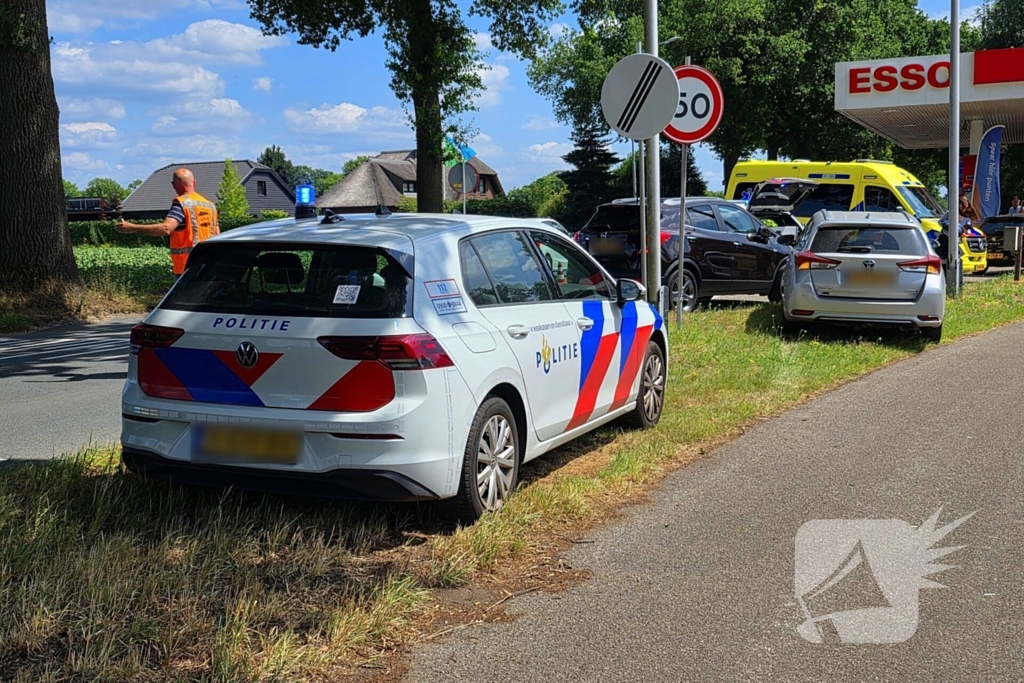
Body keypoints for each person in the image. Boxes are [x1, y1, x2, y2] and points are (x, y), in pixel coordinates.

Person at [116, 168, 219, 278]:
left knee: (181, 296)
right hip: (209, 264)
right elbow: (218, 235)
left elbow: (166, 228)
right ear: (194, 182)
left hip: (187, 267)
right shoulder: (210, 206)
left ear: (173, 185)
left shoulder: (182, 204)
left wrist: (133, 227)